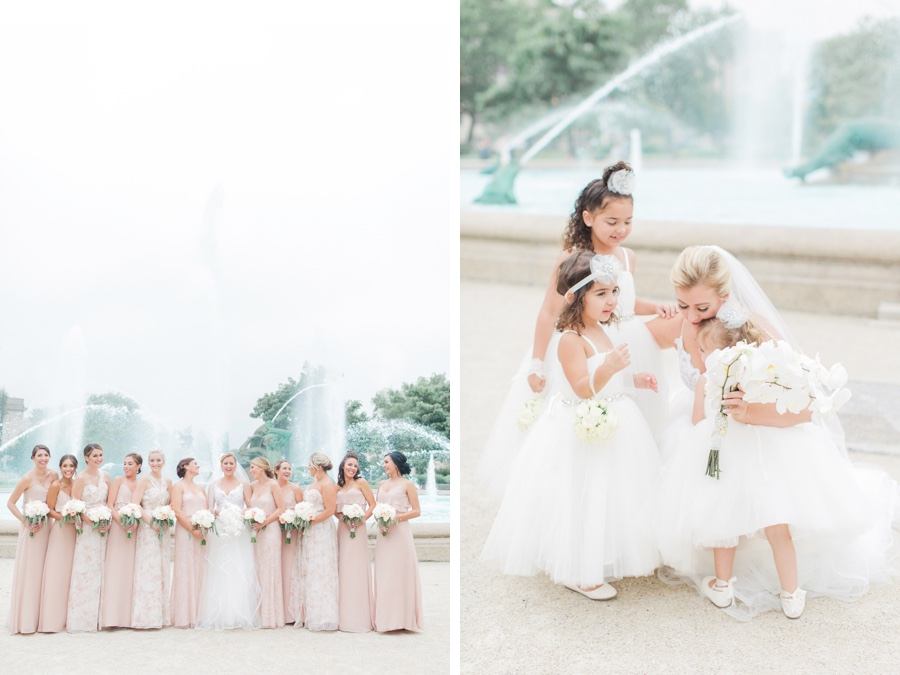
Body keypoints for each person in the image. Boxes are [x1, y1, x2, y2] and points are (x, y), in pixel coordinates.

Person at [480, 161, 674, 496]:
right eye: (611, 221)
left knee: (628, 416)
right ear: (588, 218)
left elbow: (624, 301)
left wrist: (653, 307)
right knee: (575, 421)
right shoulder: (572, 259)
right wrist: (538, 363)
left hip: (621, 343)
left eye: (627, 222)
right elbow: (548, 312)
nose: (620, 229)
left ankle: (623, 492)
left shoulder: (628, 258)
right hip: (581, 345)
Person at [481, 250, 661, 600]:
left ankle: (598, 555)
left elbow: (612, 378)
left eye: (614, 292)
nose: (611, 301)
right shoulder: (570, 340)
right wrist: (607, 367)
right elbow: (582, 386)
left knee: (610, 494)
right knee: (585, 494)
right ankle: (581, 570)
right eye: (601, 294)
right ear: (575, 298)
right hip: (582, 427)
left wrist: (635, 378)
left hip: (611, 420)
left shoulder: (599, 331)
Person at [196, 452, 259, 630]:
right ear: (221, 465)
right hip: (220, 531)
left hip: (238, 530)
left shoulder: (244, 484)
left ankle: (240, 613)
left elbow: (249, 504)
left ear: (235, 465)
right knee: (219, 568)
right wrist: (214, 513)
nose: (229, 466)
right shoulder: (213, 485)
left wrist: (246, 515)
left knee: (238, 566)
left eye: (231, 463)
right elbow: (209, 508)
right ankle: (219, 613)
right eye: (226, 463)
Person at [7, 444, 57, 634]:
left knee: (45, 571)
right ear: (33, 458)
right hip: (32, 531)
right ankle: (26, 620)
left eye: (46, 455)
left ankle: (42, 618)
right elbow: (10, 503)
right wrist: (26, 521)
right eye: (39, 455)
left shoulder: (53, 475)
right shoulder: (27, 478)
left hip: (47, 528)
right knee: (31, 571)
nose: (43, 458)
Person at [373, 451, 423, 631]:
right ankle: (385, 618)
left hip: (400, 532)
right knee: (384, 573)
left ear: (396, 463)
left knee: (400, 572)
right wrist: (381, 519)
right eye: (384, 462)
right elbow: (378, 507)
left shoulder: (407, 484)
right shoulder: (381, 484)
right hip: (383, 532)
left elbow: (417, 511)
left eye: (387, 461)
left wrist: (395, 518)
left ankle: (402, 619)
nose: (384, 465)